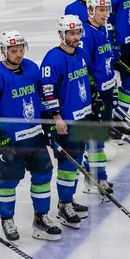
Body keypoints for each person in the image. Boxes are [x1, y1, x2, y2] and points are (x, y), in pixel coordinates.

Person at [0, 30, 61, 242]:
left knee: (43, 177)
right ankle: (7, 219)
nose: (19, 54)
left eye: (21, 49)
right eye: (13, 51)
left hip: (34, 136)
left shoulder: (32, 68)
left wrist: (49, 126)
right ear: (4, 51)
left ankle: (41, 217)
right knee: (7, 181)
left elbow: (41, 100)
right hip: (8, 141)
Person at [40, 15, 93, 230]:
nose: (75, 37)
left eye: (78, 33)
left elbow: (85, 81)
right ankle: (63, 205)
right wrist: (56, 118)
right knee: (67, 163)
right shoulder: (53, 59)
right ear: (61, 35)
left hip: (83, 117)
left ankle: (68, 199)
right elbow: (47, 91)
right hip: (66, 122)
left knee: (77, 160)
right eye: (71, 33)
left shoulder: (81, 53)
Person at [80, 0, 115, 194]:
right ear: (91, 11)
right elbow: (84, 66)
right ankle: (98, 177)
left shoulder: (105, 28)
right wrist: (93, 92)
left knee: (101, 136)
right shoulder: (86, 34)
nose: (105, 13)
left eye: (106, 9)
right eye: (101, 10)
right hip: (96, 93)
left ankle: (90, 170)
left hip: (107, 89)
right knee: (96, 138)